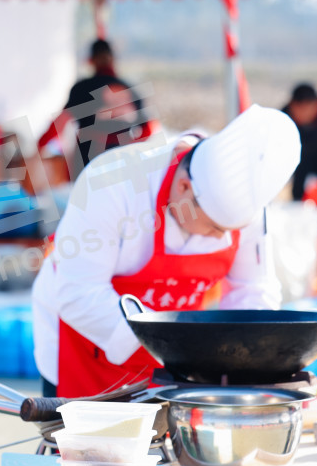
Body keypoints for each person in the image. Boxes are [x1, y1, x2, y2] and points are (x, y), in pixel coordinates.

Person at [31, 105, 301, 398]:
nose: (224, 238)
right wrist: (174, 342)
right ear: (184, 187)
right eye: (214, 227)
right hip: (86, 349)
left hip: (174, 359)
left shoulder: (242, 204)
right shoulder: (112, 183)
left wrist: (250, 359)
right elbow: (78, 293)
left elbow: (253, 291)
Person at [37, 39, 156, 179]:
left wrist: (39, 146)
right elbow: (149, 128)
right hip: (122, 164)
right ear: (113, 60)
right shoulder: (131, 90)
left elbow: (60, 123)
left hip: (88, 161)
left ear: (91, 60)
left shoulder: (83, 88)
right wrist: (129, 148)